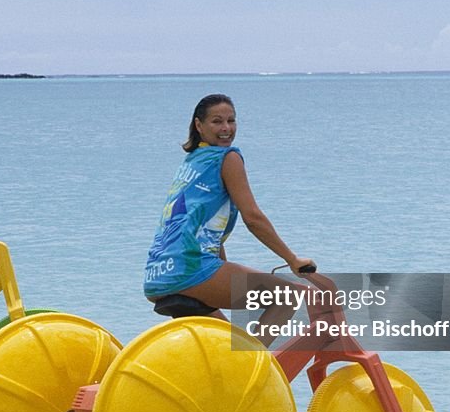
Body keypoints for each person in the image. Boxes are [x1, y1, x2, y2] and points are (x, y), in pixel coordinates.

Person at [143, 94, 349, 348]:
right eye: (217, 121)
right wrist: (292, 260)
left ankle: (227, 377)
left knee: (223, 342)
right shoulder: (228, 158)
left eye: (231, 120)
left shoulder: (194, 160)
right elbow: (253, 217)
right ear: (199, 125)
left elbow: (203, 227)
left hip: (158, 275)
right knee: (288, 297)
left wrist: (223, 271)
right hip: (189, 269)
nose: (226, 128)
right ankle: (247, 371)